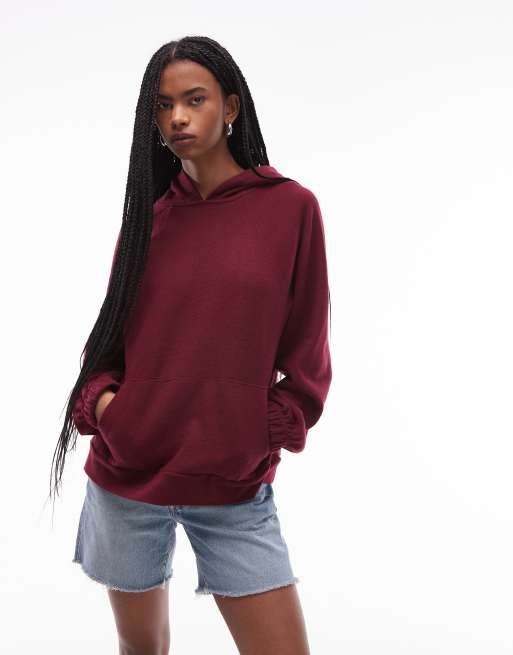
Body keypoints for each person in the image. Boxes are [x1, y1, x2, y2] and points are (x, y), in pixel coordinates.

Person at [50, 35, 332, 654]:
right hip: (127, 483)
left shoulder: (291, 209)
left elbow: (308, 360)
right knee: (142, 651)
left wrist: (253, 431)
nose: (176, 117)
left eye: (194, 99)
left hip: (232, 488)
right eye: (163, 105)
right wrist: (111, 411)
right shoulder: (148, 220)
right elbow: (106, 349)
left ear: (230, 107)